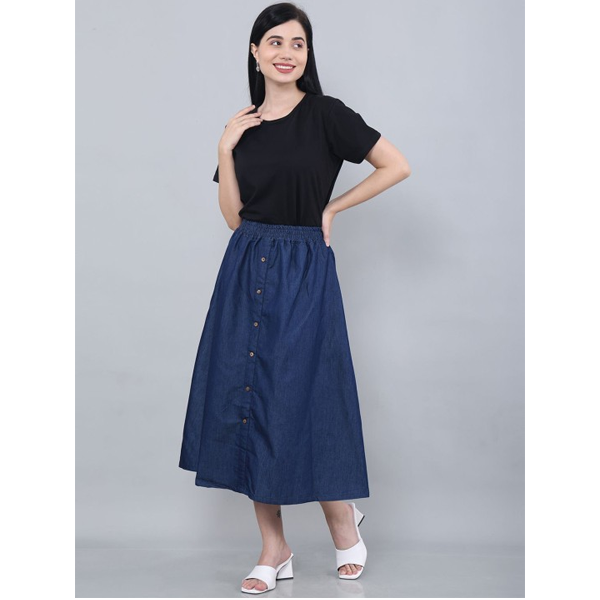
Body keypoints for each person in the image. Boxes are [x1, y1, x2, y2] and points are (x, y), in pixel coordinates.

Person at [179, 2, 411, 593]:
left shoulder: (327, 115)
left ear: (308, 55)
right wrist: (225, 149)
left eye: (298, 43)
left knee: (302, 393)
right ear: (255, 52)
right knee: (247, 395)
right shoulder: (243, 126)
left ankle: (341, 522)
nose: (287, 53)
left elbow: (395, 165)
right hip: (245, 264)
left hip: (303, 267)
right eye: (275, 41)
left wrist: (333, 208)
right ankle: (273, 547)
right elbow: (234, 218)